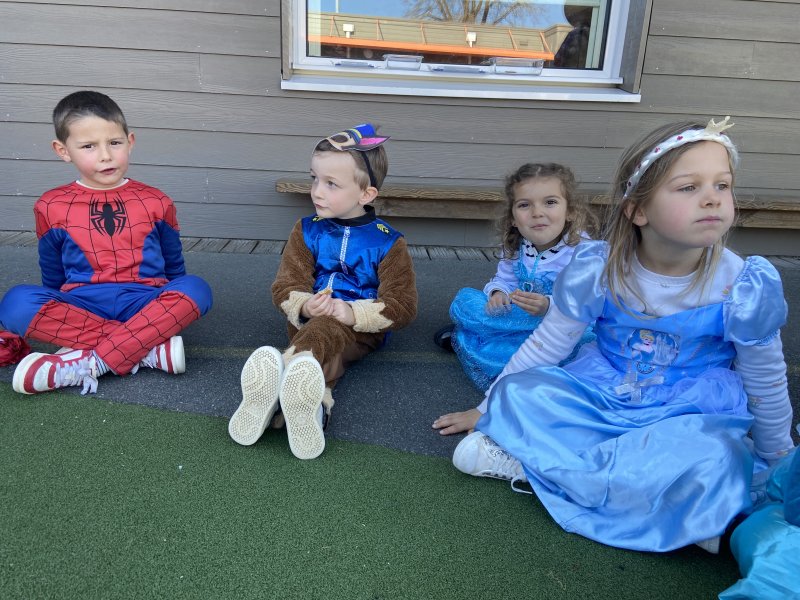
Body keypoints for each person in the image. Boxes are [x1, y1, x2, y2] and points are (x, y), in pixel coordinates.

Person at [450, 117, 796, 553]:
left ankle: (548, 468)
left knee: (718, 453)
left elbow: (766, 381)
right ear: (638, 210)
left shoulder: (742, 286)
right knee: (522, 392)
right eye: (689, 187)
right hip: (607, 392)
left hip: (686, 413)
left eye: (722, 185)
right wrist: (487, 407)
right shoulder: (598, 268)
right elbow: (547, 345)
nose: (712, 198)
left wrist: (778, 459)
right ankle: (672, 503)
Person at [0, 91, 213, 395]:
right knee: (15, 303)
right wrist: (56, 308)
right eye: (88, 146)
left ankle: (91, 360)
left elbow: (174, 265)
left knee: (196, 289)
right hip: (82, 305)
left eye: (114, 142)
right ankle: (148, 350)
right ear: (63, 151)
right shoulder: (50, 205)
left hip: (144, 302)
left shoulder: (156, 200)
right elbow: (52, 271)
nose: (105, 155)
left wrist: (175, 305)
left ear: (130, 141)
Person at [227, 123, 417, 460]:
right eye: (314, 178)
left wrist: (353, 312)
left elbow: (402, 305)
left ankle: (280, 382)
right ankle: (314, 406)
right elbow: (285, 285)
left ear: (366, 194)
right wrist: (304, 306)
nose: (316, 191)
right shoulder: (306, 230)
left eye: (331, 184)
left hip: (362, 331)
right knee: (322, 331)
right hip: (306, 322)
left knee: (329, 326)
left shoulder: (388, 242)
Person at [432, 163, 596, 435]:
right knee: (466, 300)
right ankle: (481, 335)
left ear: (570, 211)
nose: (537, 212)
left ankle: (475, 339)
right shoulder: (516, 245)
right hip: (518, 316)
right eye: (524, 205)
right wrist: (498, 294)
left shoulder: (583, 251)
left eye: (550, 202)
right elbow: (504, 279)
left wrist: (548, 305)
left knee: (580, 348)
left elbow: (586, 304)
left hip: (561, 327)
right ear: (512, 218)